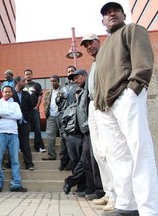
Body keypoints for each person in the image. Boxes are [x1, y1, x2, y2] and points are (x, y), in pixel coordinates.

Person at [95, 2, 158, 215]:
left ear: (123, 14)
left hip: (125, 96)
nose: (111, 14)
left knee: (140, 151)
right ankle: (127, 204)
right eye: (106, 13)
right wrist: (99, 104)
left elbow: (143, 60)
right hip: (106, 107)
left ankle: (148, 209)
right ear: (102, 21)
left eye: (115, 11)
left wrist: (134, 88)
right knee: (118, 156)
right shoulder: (103, 47)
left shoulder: (132, 29)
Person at [80, 33, 116, 211]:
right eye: (86, 45)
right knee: (99, 152)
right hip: (92, 107)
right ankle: (108, 192)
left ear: (98, 41)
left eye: (91, 43)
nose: (89, 47)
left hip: (103, 104)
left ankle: (116, 195)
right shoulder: (94, 64)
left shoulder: (106, 57)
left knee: (109, 150)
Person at [64, 69, 104, 200]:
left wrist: (88, 125)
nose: (75, 81)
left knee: (93, 161)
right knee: (87, 161)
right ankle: (91, 187)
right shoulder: (81, 93)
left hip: (90, 129)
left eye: (77, 78)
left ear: (85, 76)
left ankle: (99, 189)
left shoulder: (88, 90)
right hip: (84, 131)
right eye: (73, 79)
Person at [0, 86, 27, 193]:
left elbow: (18, 116)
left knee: (15, 160)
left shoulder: (15, 104)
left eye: (9, 91)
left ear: (12, 93)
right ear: (2, 93)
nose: (7, 93)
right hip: (0, 133)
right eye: (5, 91)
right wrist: (10, 114)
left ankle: (16, 184)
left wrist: (4, 114)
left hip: (13, 134)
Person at [43, 75, 67, 160]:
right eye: (51, 81)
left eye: (54, 81)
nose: (52, 83)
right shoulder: (49, 92)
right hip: (51, 116)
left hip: (61, 116)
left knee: (63, 136)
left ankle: (63, 156)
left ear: (58, 81)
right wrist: (46, 113)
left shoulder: (63, 90)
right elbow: (46, 103)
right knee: (50, 136)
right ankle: (51, 155)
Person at [24, 69, 46, 153]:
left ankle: (39, 147)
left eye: (29, 74)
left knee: (37, 128)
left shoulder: (37, 85)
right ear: (24, 76)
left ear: (32, 75)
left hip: (34, 110)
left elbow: (40, 96)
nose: (28, 75)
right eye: (26, 74)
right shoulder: (23, 85)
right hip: (25, 111)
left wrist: (37, 106)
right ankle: (23, 147)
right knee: (25, 129)